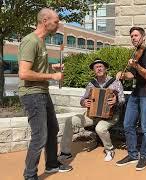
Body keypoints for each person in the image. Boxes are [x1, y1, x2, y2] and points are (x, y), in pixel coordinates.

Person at [18, 8, 73, 180]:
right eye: (56, 21)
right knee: (40, 136)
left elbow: (36, 69)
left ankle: (51, 164)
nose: (58, 24)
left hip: (42, 92)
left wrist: (51, 68)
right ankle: (30, 175)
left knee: (53, 128)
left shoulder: (41, 42)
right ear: (44, 21)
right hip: (32, 94)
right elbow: (24, 73)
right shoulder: (30, 41)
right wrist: (52, 76)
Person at [59, 58, 125, 162]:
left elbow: (122, 100)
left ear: (105, 68)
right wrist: (84, 102)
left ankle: (109, 149)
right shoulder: (91, 84)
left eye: (101, 66)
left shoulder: (115, 83)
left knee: (100, 128)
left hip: (110, 116)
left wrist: (116, 101)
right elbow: (82, 99)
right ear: (93, 70)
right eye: (96, 67)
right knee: (70, 121)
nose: (99, 69)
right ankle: (65, 152)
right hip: (92, 115)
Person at [115, 27, 146, 171]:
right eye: (131, 36)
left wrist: (136, 65)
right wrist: (122, 74)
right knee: (128, 124)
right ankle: (133, 154)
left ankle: (144, 156)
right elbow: (132, 75)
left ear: (143, 37)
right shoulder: (135, 52)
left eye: (136, 35)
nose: (133, 38)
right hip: (135, 93)